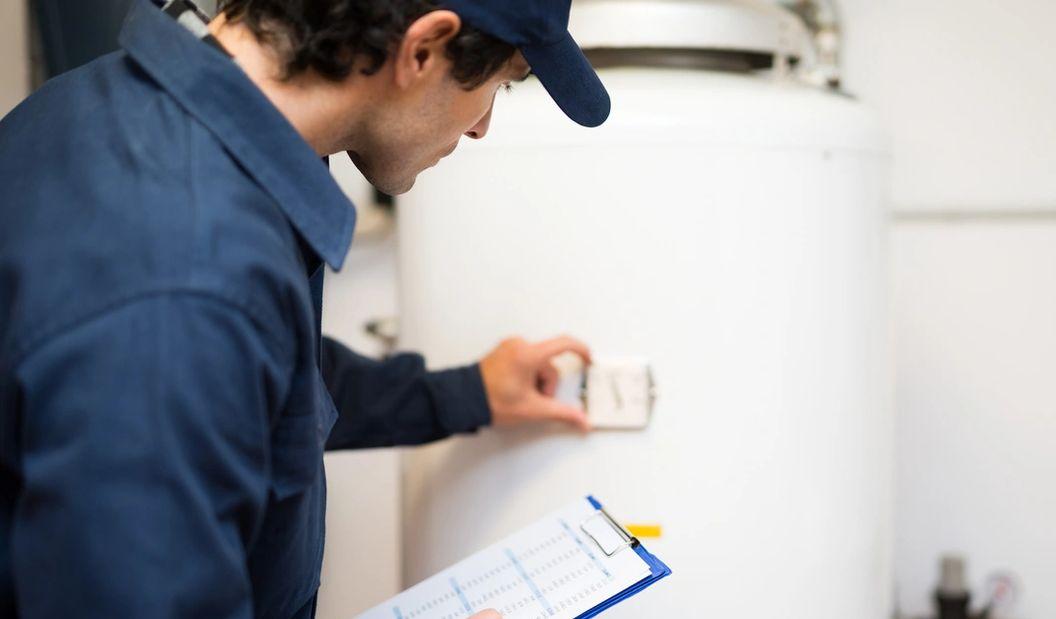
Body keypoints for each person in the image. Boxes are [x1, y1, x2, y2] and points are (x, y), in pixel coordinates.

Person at [0, 0, 611, 616]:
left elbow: (261, 384)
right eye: (498, 85)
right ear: (423, 50)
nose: (481, 127)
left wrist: (467, 393)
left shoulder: (107, 110)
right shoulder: (182, 286)